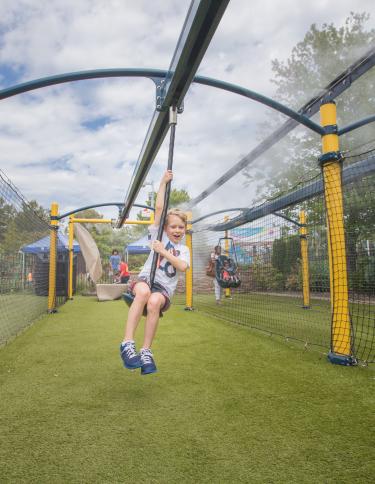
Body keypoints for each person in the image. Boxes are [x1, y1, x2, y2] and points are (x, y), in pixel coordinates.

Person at [120, 170, 190, 375]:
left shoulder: (183, 250)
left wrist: (163, 252)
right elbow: (159, 208)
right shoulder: (157, 235)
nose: (177, 230)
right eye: (173, 227)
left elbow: (183, 267)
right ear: (165, 229)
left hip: (163, 290)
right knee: (142, 293)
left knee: (154, 302)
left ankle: (146, 351)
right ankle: (127, 343)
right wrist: (163, 183)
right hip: (146, 279)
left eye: (181, 227)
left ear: (185, 229)